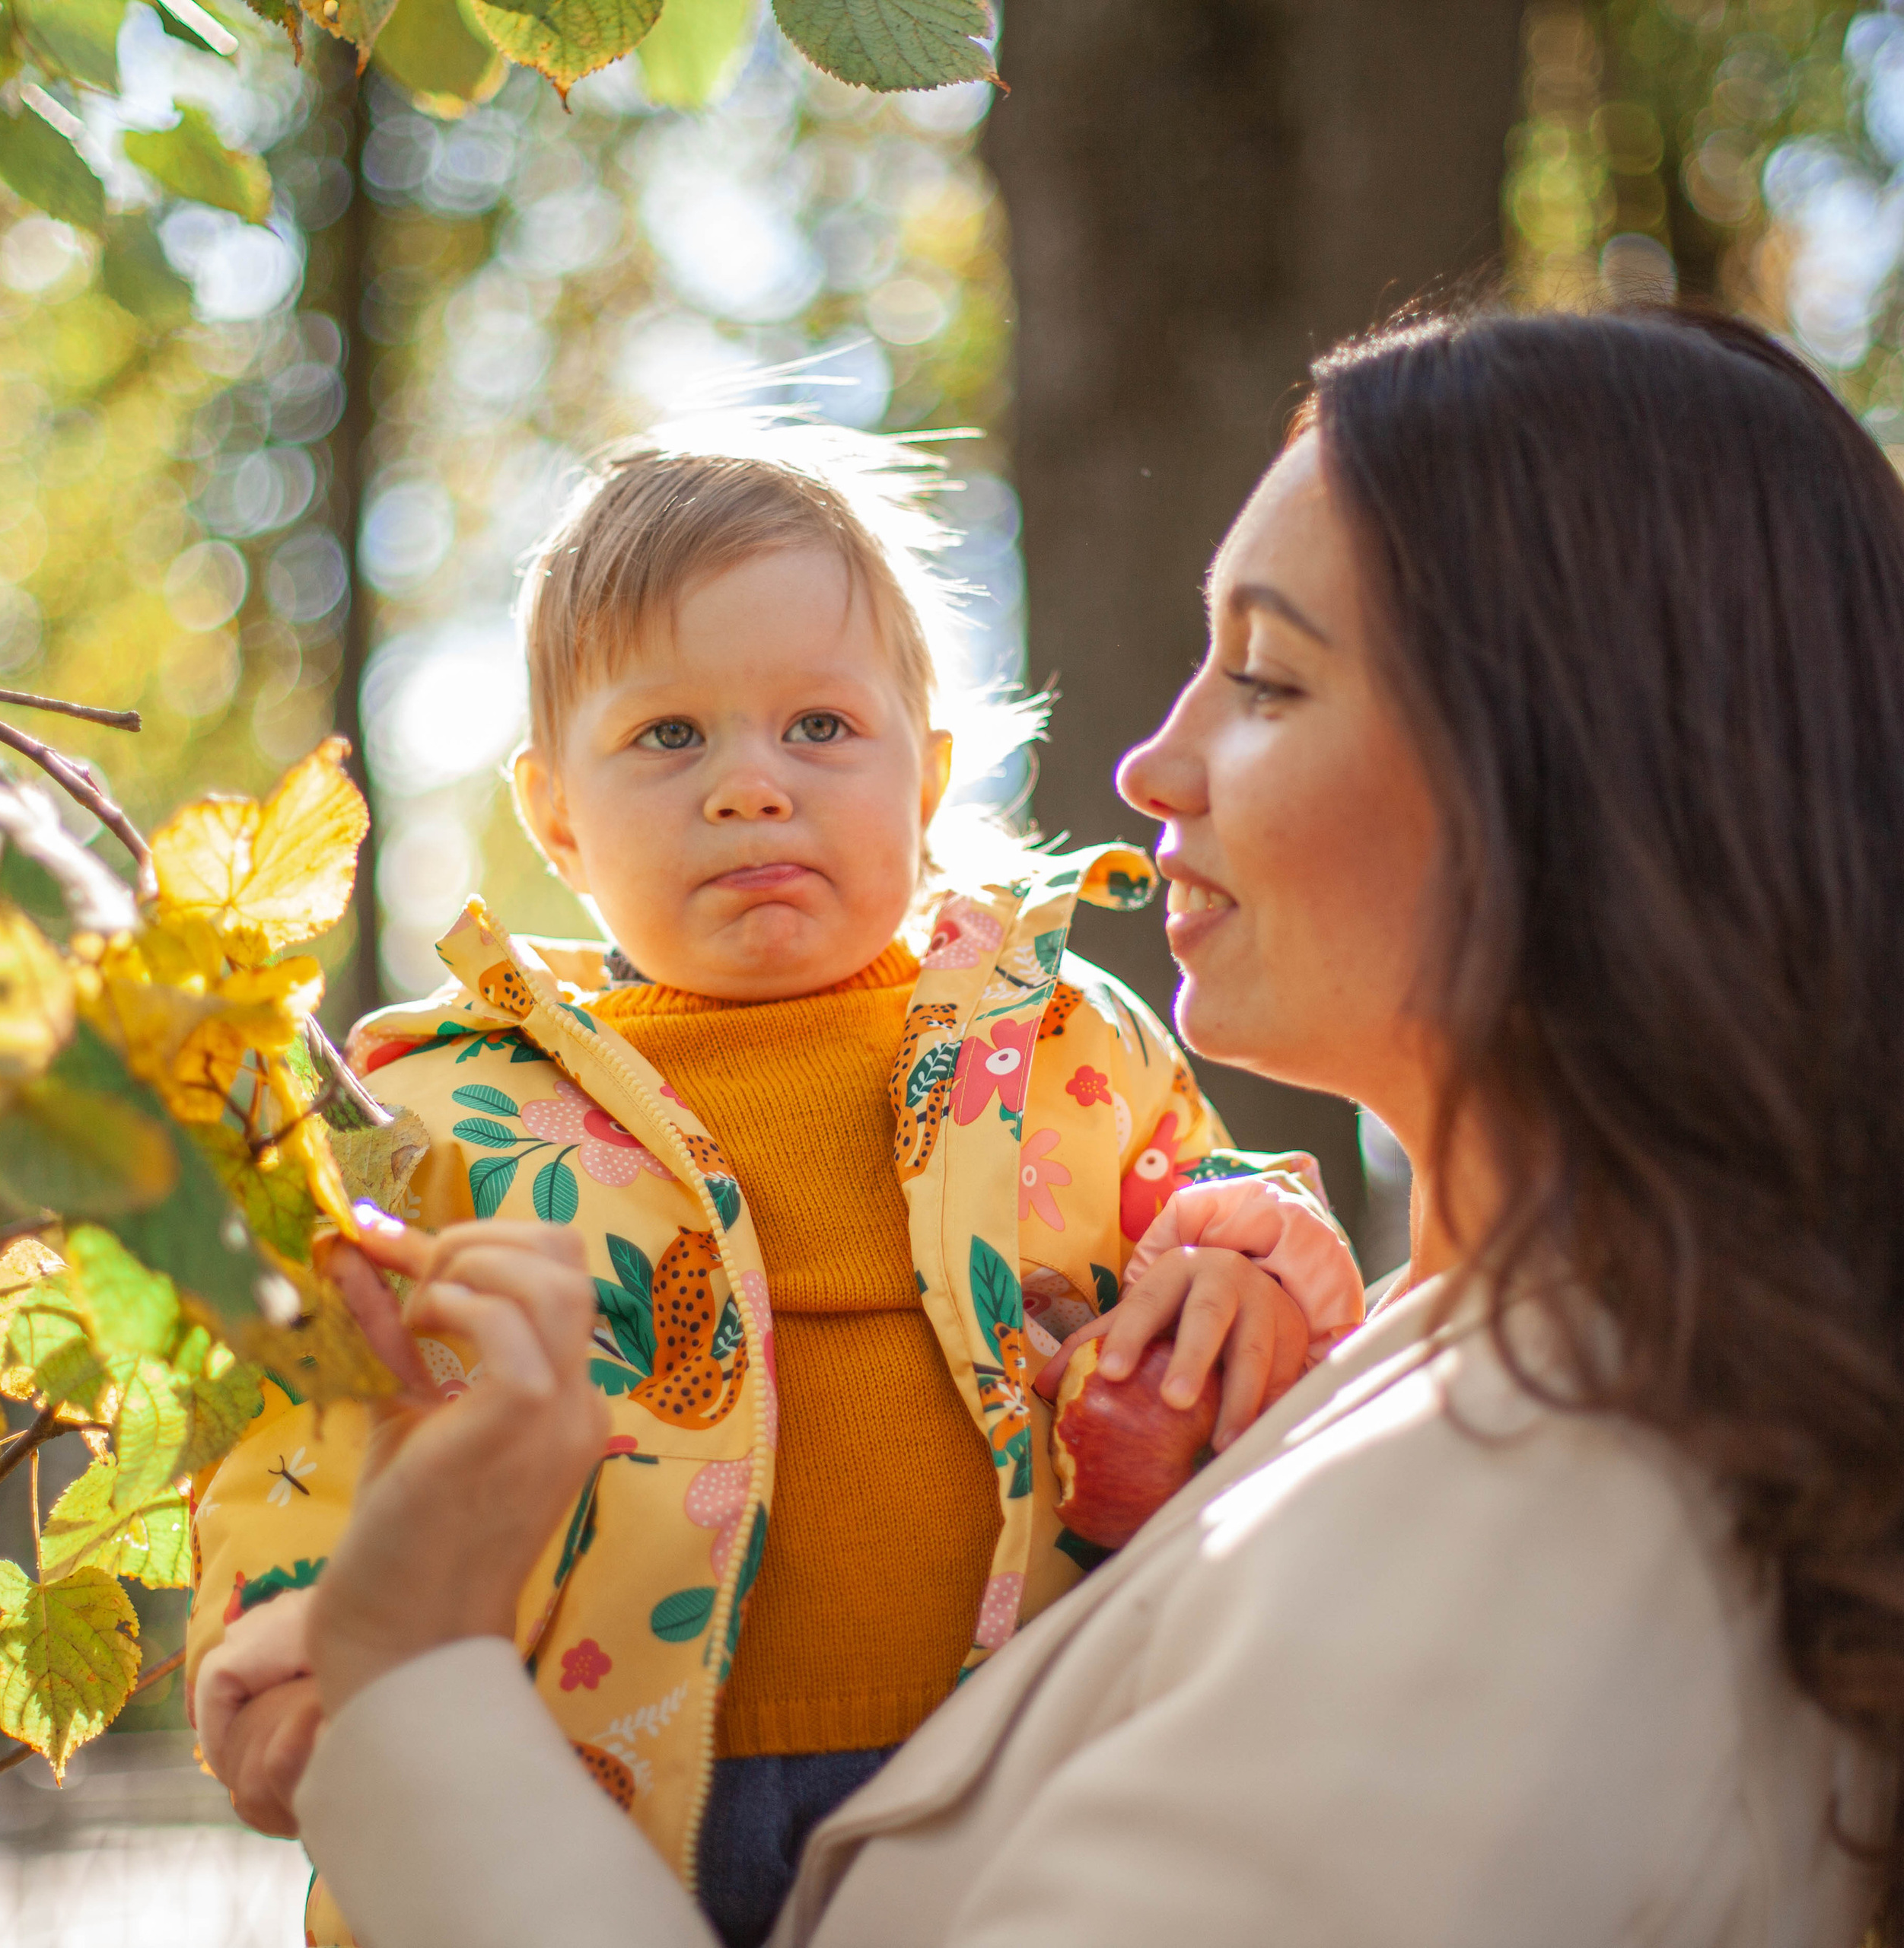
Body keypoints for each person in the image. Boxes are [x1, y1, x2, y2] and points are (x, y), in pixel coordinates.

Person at [276, 306, 1904, 1947]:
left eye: (1264, 675)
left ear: (1568, 774)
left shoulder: (1551, 1515)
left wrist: (412, 1686)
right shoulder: (1432, 1362)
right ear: (554, 805)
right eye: (670, 734)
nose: (1148, 757)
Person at [186, 422, 1364, 1948]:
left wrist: (1246, 1273)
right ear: (554, 813)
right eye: (667, 736)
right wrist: (292, 1653)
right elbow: (319, 1413)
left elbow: (1228, 1225)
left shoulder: (1062, 1040)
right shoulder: (444, 1113)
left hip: (1020, 1765)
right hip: (597, 1795)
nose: (749, 786)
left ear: (925, 773)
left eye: (819, 727)